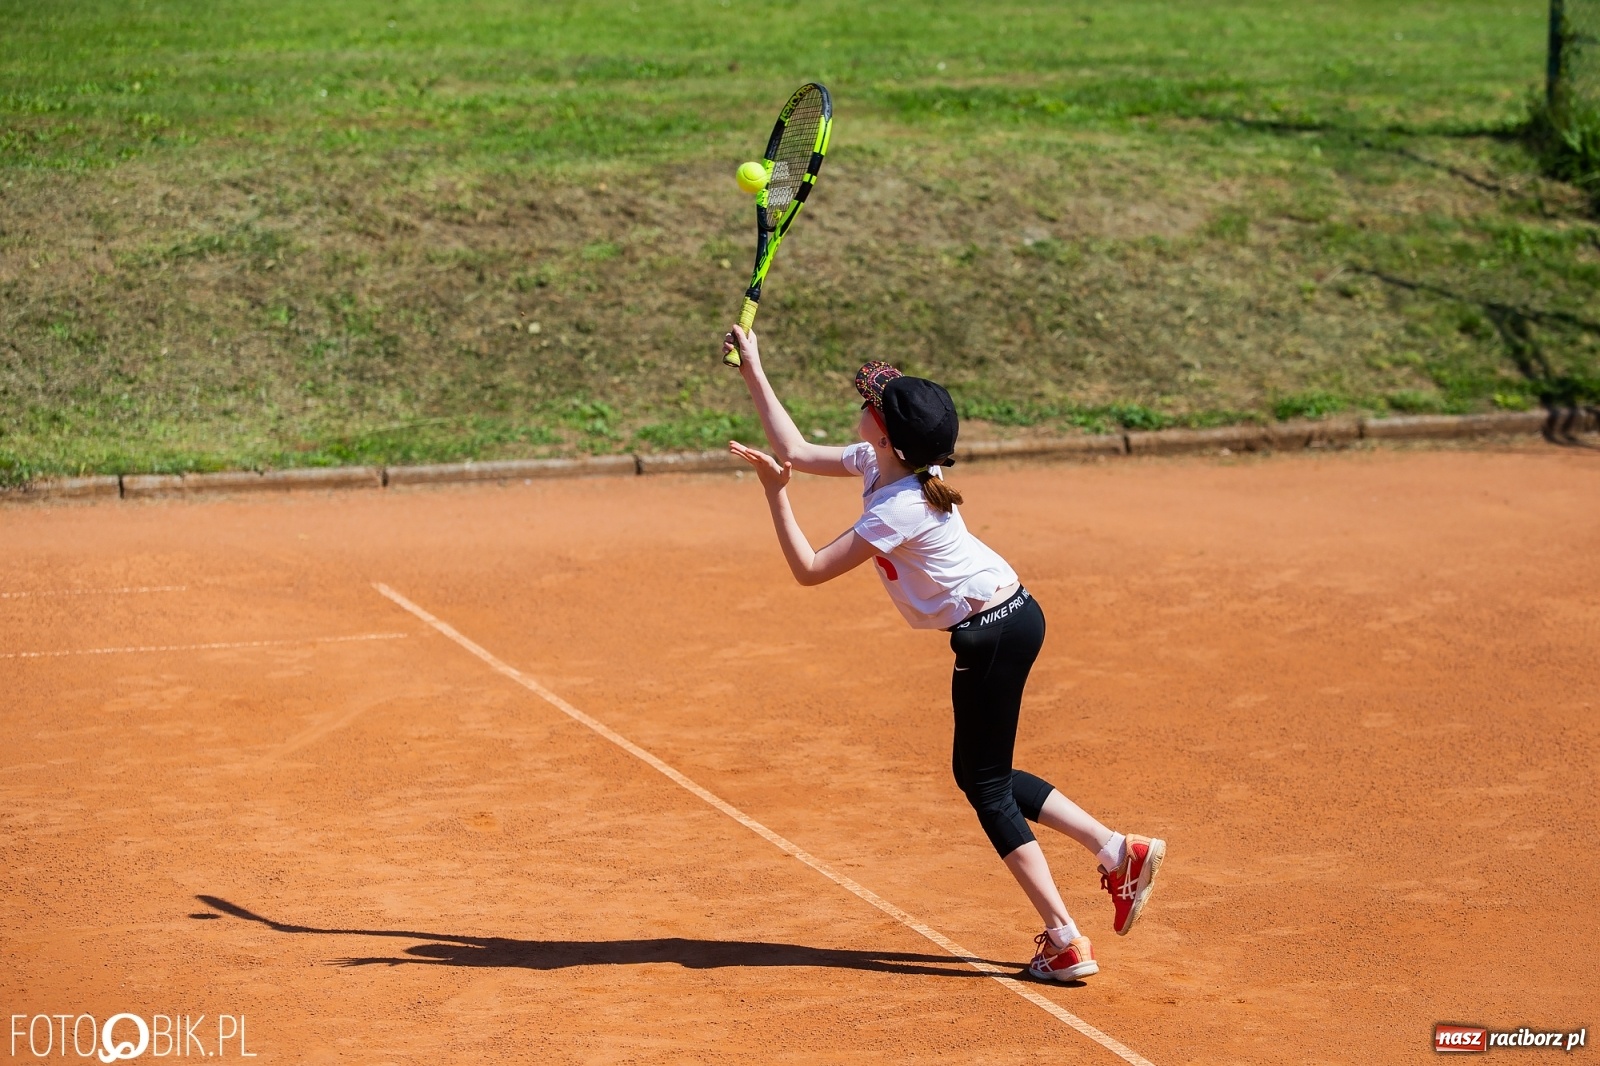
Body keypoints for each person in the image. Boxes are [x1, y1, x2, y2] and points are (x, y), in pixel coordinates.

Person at [721, 325, 1165, 982]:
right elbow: (793, 446)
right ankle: (1113, 850)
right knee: (987, 774)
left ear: (882, 431)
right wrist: (753, 366)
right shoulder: (888, 463)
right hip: (1016, 617)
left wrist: (775, 492)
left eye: (874, 401)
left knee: (983, 785)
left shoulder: (897, 507)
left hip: (992, 633)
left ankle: (1066, 940)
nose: (867, 400)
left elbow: (811, 569)